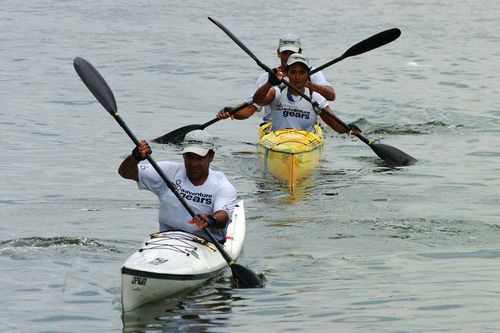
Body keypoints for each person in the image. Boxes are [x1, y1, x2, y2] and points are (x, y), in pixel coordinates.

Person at [118, 129, 236, 243]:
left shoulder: (222, 186)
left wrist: (211, 220)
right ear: (183, 154)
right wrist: (135, 158)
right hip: (166, 240)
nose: (193, 164)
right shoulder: (167, 171)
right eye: (189, 156)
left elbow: (223, 216)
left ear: (211, 156)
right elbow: (126, 173)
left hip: (206, 244)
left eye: (199, 158)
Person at [217, 33, 335, 122]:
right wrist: (232, 112)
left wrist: (305, 83)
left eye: (292, 53)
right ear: (278, 53)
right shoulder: (267, 77)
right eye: (285, 53)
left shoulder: (312, 73)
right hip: (272, 129)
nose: (289, 57)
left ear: (300, 52)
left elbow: (331, 95)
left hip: (304, 131)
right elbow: (251, 107)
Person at [253, 53, 360, 135]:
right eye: (293, 72)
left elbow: (336, 126)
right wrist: (269, 83)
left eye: (302, 72)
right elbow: (258, 100)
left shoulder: (315, 98)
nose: (297, 77)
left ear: (307, 75)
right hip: (278, 141)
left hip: (304, 144)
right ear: (287, 74)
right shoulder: (277, 92)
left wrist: (347, 128)